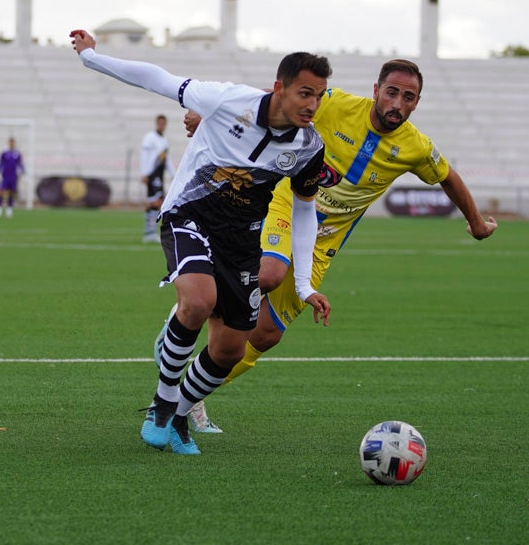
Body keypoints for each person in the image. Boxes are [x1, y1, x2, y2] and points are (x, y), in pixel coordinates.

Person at [171, 58, 499, 433]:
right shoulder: (336, 103)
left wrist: (475, 223)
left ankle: (189, 398)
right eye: (391, 92)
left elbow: (448, 177)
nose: (397, 103)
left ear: (416, 103)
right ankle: (184, 315)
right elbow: (276, 99)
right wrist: (214, 114)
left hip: (323, 244)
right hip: (285, 206)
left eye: (408, 97)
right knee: (270, 274)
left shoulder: (416, 147)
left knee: (267, 335)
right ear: (376, 91)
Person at [69, 28, 332, 456]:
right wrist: (93, 58)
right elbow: (159, 78)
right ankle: (161, 402)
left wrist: (304, 285)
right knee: (197, 301)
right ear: (279, 88)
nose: (312, 105)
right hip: (189, 215)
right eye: (305, 93)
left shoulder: (307, 147)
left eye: (319, 96)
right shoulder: (229, 100)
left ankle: (179, 414)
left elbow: (304, 210)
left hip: (241, 238)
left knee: (229, 348)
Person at [139, 114, 174, 243]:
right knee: (159, 201)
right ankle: (149, 232)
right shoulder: (150, 138)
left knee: (154, 201)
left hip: (159, 174)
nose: (162, 126)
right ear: (156, 124)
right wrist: (144, 173)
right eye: (160, 123)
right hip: (152, 174)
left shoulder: (164, 140)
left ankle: (149, 232)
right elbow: (145, 156)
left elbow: (166, 160)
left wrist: (173, 174)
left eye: (163, 124)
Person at [0, 137, 24, 218]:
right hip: (5, 176)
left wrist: (23, 171)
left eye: (13, 142)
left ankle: (9, 209)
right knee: (1, 191)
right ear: (8, 143)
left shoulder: (17, 154)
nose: (12, 144)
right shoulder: (4, 153)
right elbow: (0, 163)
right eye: (10, 142)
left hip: (13, 176)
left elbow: (20, 164)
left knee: (12, 192)